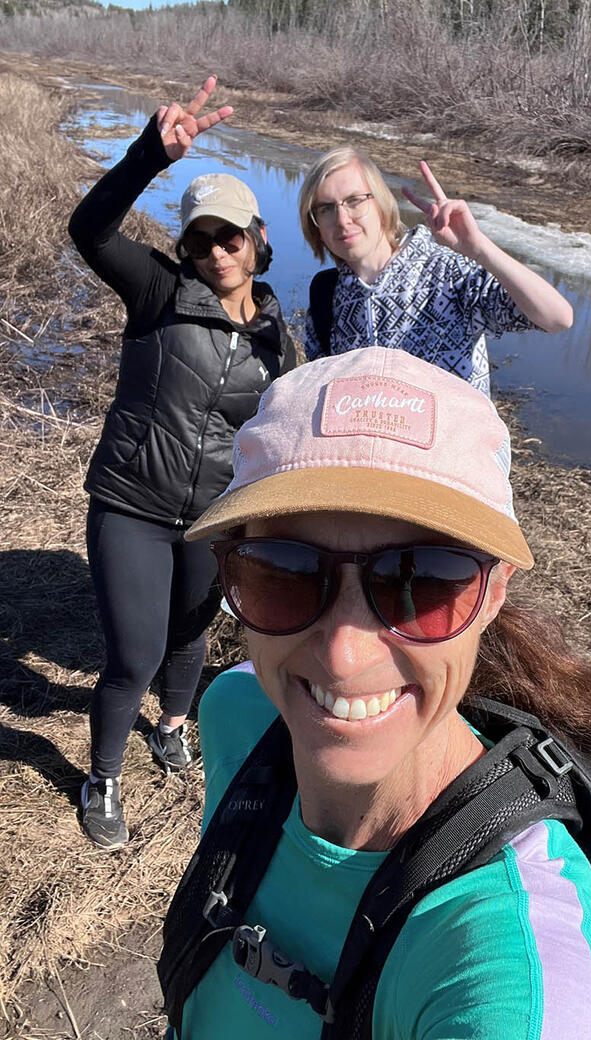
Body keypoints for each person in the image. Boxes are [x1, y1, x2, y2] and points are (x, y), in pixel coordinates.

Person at [162, 347, 591, 1038]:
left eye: (420, 579)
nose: (345, 652)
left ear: (493, 595)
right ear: (231, 572)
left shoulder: (510, 956)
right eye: (284, 569)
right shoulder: (239, 711)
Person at [68, 76, 296, 850]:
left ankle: (172, 727)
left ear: (257, 240)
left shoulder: (275, 338)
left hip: (210, 519)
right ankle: (102, 777)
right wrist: (145, 157)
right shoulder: (158, 292)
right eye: (200, 239)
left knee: (190, 637)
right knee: (132, 655)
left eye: (230, 237)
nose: (216, 252)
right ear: (185, 246)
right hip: (132, 503)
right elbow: (90, 228)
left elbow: (277, 436)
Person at [298, 150, 573, 394]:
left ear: (381, 204)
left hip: (456, 450)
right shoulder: (326, 294)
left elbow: (557, 318)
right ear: (315, 223)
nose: (343, 220)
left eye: (355, 200)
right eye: (326, 208)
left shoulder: (448, 272)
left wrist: (479, 249)